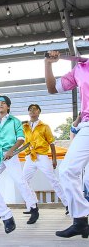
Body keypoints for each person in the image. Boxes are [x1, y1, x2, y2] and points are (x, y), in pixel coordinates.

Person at [45, 50, 89, 238]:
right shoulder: (81, 68)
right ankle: (80, 220)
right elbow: (53, 88)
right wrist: (48, 63)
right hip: (88, 125)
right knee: (67, 171)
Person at [0, 96, 38, 228]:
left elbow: (21, 139)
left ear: (8, 107)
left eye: (3, 103)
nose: (0, 105)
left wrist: (11, 151)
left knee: (20, 181)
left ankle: (33, 208)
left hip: (10, 155)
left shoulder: (15, 121)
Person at [22, 104, 68, 215]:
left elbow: (51, 143)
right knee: (23, 181)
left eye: (35, 109)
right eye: (30, 110)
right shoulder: (24, 127)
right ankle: (33, 204)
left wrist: (54, 159)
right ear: (28, 112)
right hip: (30, 157)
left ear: (39, 112)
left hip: (42, 156)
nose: (32, 111)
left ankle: (68, 205)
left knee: (53, 180)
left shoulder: (44, 126)